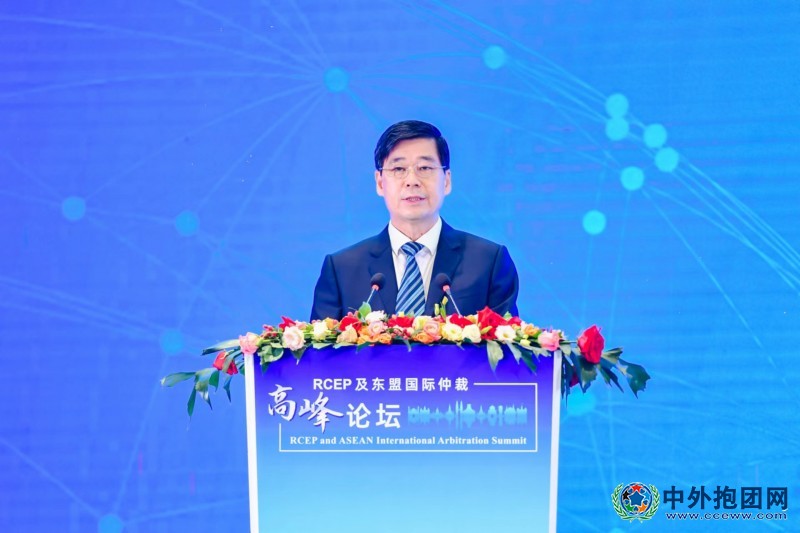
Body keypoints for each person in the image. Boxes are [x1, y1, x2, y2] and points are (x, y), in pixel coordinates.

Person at [310, 120, 519, 320]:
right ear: (380, 183)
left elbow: (506, 342)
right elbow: (321, 345)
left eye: (425, 168)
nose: (412, 181)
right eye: (398, 169)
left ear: (446, 181)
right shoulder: (342, 269)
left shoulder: (488, 262)